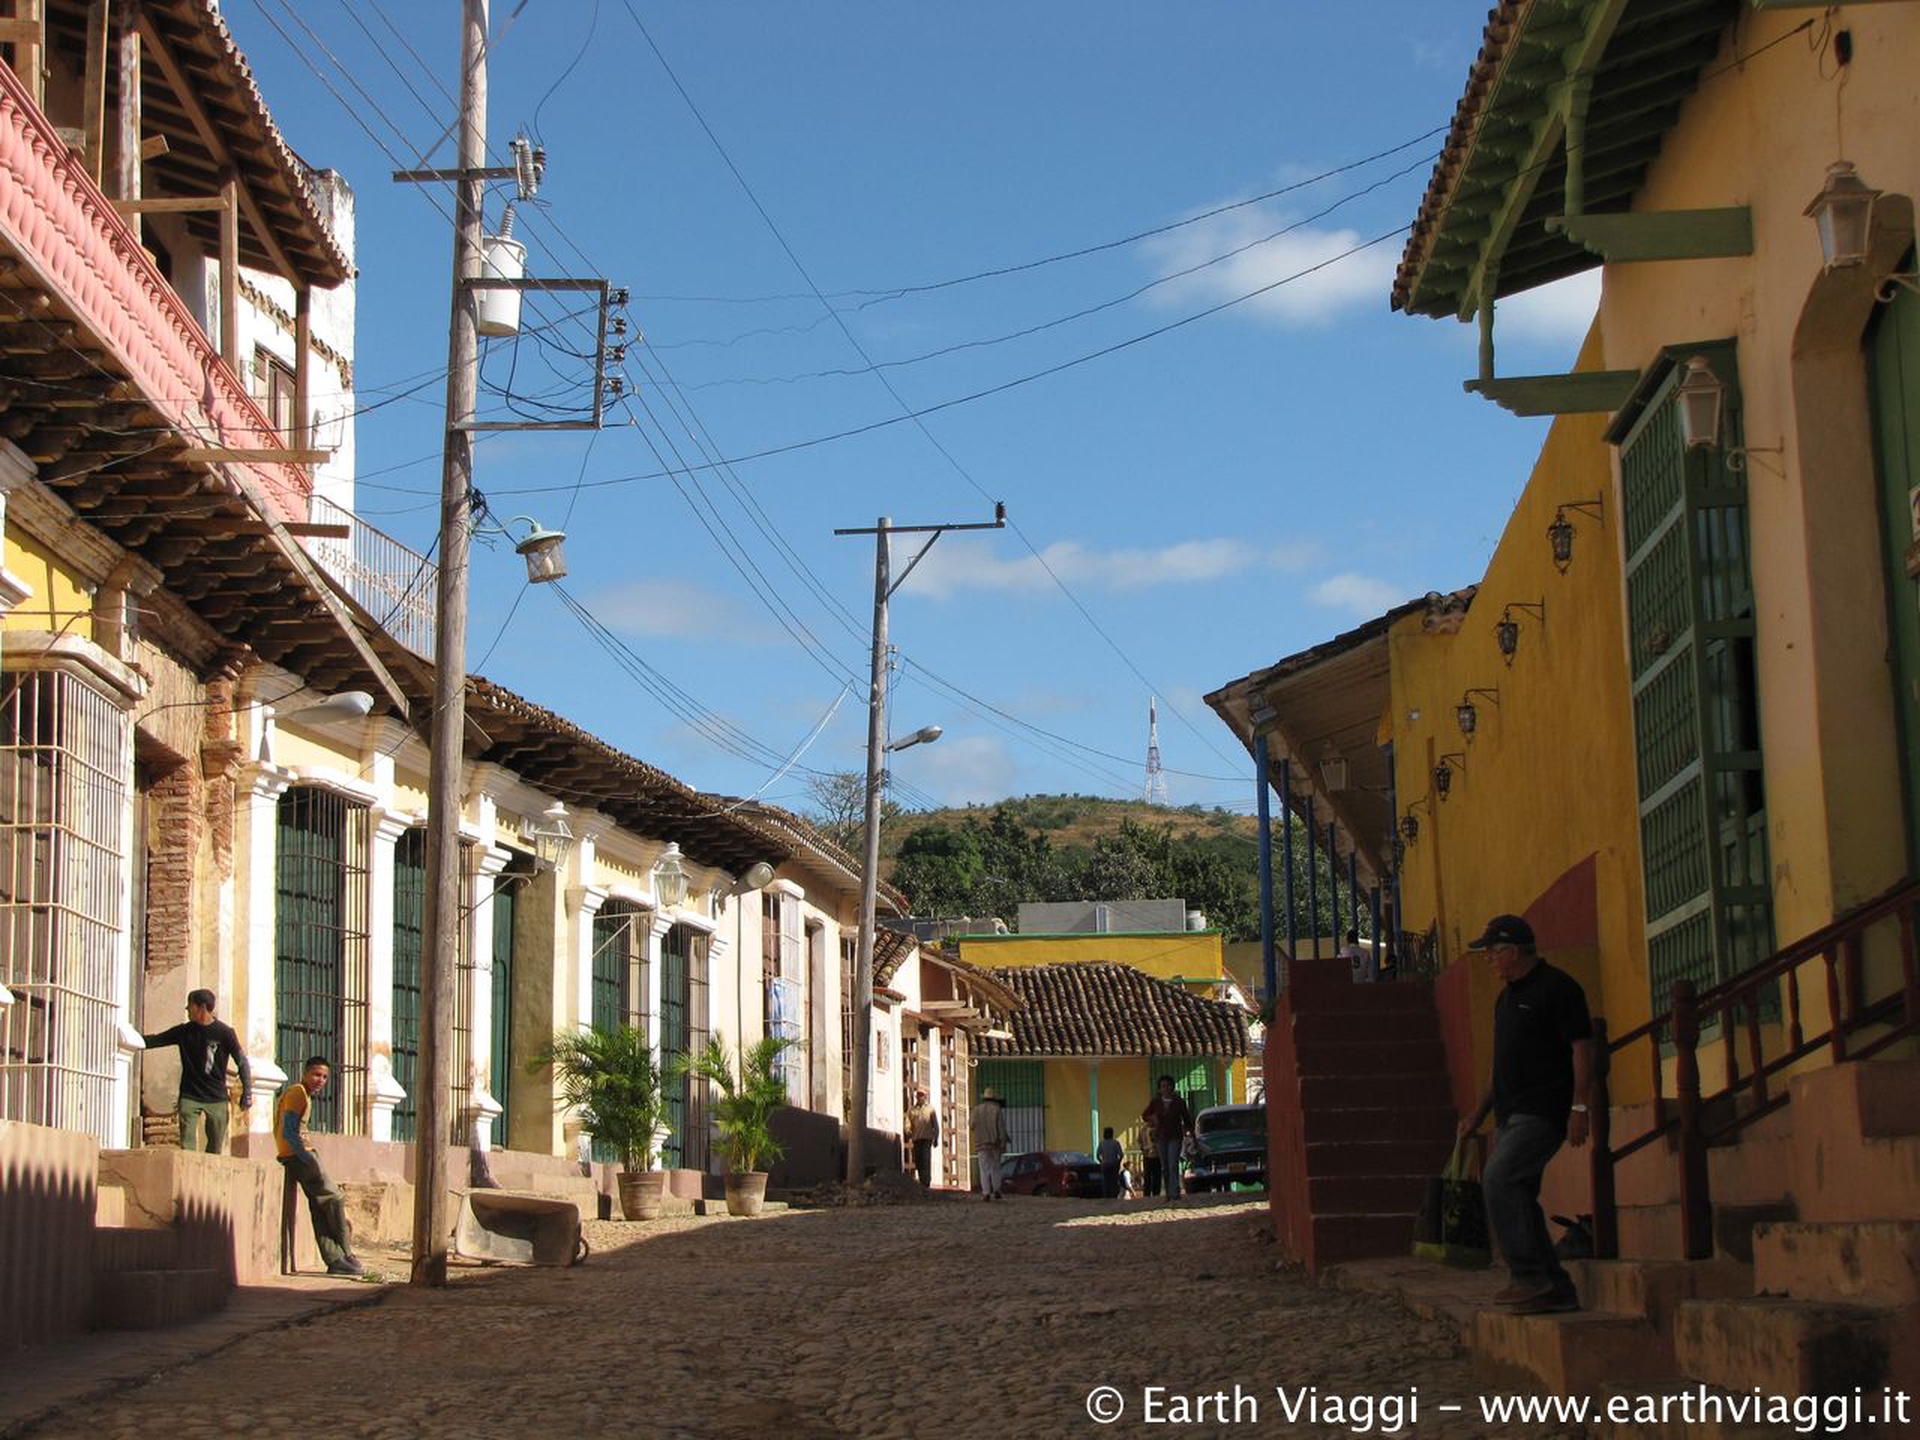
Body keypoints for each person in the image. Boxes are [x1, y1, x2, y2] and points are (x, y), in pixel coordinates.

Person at [1457, 914, 1593, 1315]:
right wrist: (1479, 1112)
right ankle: (1554, 1286)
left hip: (1544, 1109)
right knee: (1519, 1193)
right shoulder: (1506, 1000)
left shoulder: (1559, 989)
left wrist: (1579, 1107)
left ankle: (1529, 1275)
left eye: (1493, 953)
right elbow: (1499, 1066)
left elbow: (1582, 1050)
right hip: (1510, 1113)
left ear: (1512, 951)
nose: (1490, 962)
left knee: (1499, 1179)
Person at [275, 1056, 364, 1276]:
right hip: (298, 1155)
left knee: (319, 1206)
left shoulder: (305, 1095)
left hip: (301, 1153)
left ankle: (335, 1259)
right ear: (305, 1073)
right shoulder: (297, 1092)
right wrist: (306, 1158)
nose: (320, 1080)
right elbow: (288, 1130)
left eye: (324, 1076)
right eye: (316, 1074)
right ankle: (346, 1252)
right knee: (334, 1198)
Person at [139, 989, 253, 1154]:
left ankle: (208, 1177)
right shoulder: (184, 1031)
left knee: (215, 1148)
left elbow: (242, 1062)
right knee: (187, 1147)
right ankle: (187, 1177)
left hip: (216, 1098)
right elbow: (156, 1040)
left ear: (202, 1008)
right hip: (190, 1096)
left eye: (190, 1006)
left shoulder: (225, 1033)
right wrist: (128, 1037)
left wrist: (247, 1092)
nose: (187, 1009)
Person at [1141, 1076, 1193, 1199]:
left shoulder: (1179, 1102)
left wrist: (1191, 1134)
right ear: (1159, 1088)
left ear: (1172, 1087)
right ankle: (1168, 1193)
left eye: (1168, 1085)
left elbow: (1186, 1119)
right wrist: (1152, 1119)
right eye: (1163, 1086)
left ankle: (1175, 1191)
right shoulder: (1156, 1102)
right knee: (1164, 1166)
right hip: (1161, 1137)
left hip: (1175, 1136)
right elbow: (1145, 1115)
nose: (1165, 1088)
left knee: (1173, 1164)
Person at [969, 1085, 1010, 1202]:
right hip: (994, 1143)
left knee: (984, 1169)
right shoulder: (996, 1110)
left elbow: (971, 1125)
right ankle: (996, 1190)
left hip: (981, 1144)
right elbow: (1001, 1128)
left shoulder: (976, 1110)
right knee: (995, 1167)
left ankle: (986, 1193)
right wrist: (1003, 1142)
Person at [905, 1085, 940, 1190]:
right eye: (918, 1095)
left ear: (925, 1097)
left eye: (922, 1095)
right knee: (918, 1161)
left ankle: (926, 1182)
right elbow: (908, 1121)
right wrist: (908, 1130)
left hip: (926, 1138)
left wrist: (936, 1138)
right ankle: (921, 1181)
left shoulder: (930, 1109)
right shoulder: (912, 1110)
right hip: (916, 1138)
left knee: (925, 1160)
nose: (920, 1097)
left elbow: (935, 1125)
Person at [1134, 1118, 1161, 1197]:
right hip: (1147, 1154)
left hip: (1157, 1154)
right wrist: (1142, 1148)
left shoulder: (1158, 1129)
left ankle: (1156, 1192)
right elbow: (1139, 1141)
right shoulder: (1143, 1130)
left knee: (1157, 1175)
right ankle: (1147, 1193)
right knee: (1147, 1175)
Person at [1096, 1126, 1123, 1199]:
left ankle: (1106, 1196)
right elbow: (1121, 1154)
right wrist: (1118, 1162)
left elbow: (1098, 1155)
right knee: (1114, 1181)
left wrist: (1101, 1161)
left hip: (1105, 1164)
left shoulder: (1102, 1143)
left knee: (1106, 1182)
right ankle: (1113, 1196)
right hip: (1114, 1164)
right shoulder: (1116, 1143)